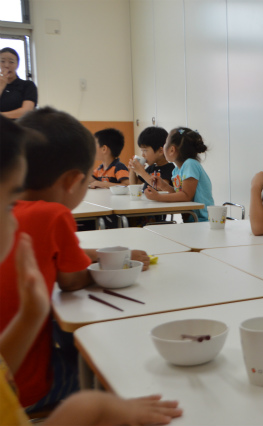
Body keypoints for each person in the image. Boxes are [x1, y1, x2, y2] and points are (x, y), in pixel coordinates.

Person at [0, 116, 182, 426]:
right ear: (73, 181)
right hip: (28, 390)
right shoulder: (52, 214)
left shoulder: (24, 216)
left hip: (11, 367)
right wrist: (98, 407)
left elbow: (53, 254)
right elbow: (72, 281)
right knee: (106, 362)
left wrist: (98, 254)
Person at [144, 127, 214, 222]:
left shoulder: (190, 164)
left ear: (172, 150)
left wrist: (158, 197)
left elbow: (186, 196)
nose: (163, 146)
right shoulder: (176, 170)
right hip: (193, 220)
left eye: (165, 142)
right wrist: (163, 185)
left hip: (202, 220)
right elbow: (178, 194)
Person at [128, 126, 174, 191]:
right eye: (142, 150)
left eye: (145, 150)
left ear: (161, 151)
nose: (143, 155)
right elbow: (134, 185)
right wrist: (133, 169)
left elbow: (161, 188)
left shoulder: (169, 168)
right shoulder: (151, 168)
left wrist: (142, 172)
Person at [0, 47, 37, 119]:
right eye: (2, 61)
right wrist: (1, 87)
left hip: (20, 125)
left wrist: (2, 116)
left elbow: (27, 111)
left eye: (11, 62)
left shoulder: (27, 85)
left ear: (17, 64)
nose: (6, 65)